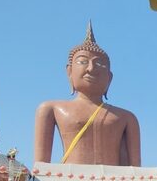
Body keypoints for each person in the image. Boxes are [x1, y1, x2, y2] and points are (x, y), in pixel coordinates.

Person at [34, 22, 141, 166]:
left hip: (114, 180)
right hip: (69, 179)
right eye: (83, 62)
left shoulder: (127, 117)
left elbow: (135, 169)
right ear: (69, 71)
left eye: (99, 64)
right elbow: (41, 167)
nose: (91, 68)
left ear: (109, 78)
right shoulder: (50, 109)